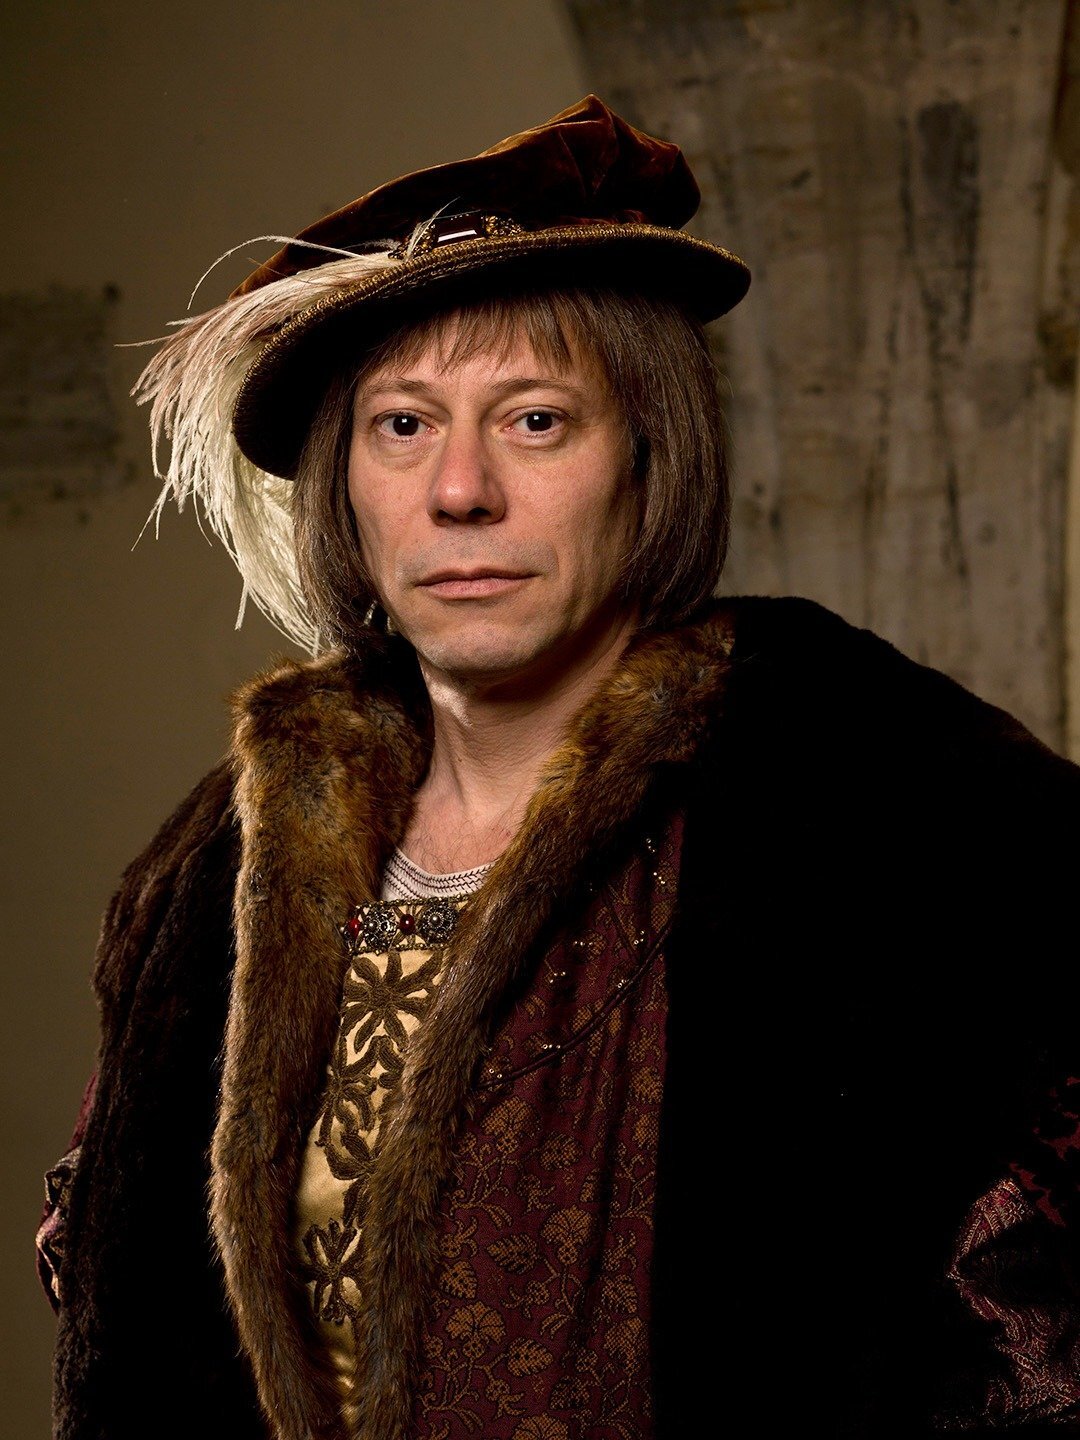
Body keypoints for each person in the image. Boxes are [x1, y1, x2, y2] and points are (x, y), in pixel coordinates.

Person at [38, 96, 1080, 1440]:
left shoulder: (889, 821)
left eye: (535, 421)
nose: (458, 490)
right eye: (401, 427)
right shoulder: (218, 869)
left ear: (650, 457)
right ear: (343, 486)